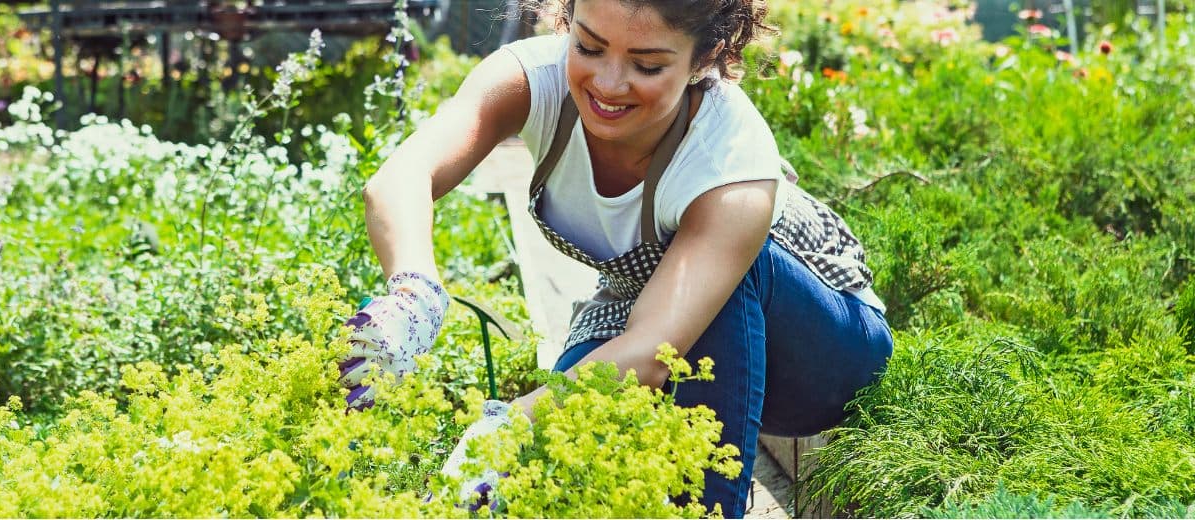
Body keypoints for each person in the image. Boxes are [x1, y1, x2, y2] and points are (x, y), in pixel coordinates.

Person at [340, 0, 895, 516]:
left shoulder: (730, 159)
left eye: (647, 65)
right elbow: (400, 178)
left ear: (706, 59)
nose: (607, 83)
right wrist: (414, 292)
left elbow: (654, 353)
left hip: (824, 355)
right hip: (652, 313)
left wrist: (508, 425)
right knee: (562, 448)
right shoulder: (532, 81)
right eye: (588, 46)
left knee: (554, 413)